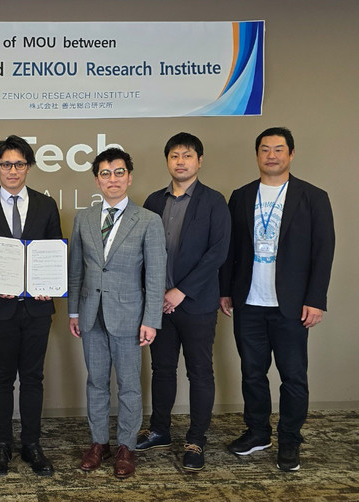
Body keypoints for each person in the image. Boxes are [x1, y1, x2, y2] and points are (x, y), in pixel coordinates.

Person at [219, 127, 335, 472]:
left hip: (292, 305)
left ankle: (289, 440)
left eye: (279, 149)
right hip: (249, 302)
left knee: (293, 377)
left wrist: (316, 299)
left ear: (291, 154)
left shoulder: (313, 197)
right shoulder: (241, 196)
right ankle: (258, 433)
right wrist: (225, 290)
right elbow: (230, 249)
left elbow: (323, 251)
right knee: (252, 373)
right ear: (257, 155)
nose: (272, 155)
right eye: (265, 149)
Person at [0, 135, 62, 477]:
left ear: (28, 167)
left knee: (33, 378)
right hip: (1, 309)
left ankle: (32, 445)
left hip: (37, 308)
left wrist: (48, 284)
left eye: (19, 164)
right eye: (6, 164)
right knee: (2, 378)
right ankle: (2, 446)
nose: (12, 170)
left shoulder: (46, 205)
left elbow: (54, 252)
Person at [68, 147, 166, 479]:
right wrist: (73, 312)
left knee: (129, 385)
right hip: (90, 314)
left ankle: (126, 445)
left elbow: (155, 275)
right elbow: (76, 270)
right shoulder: (83, 219)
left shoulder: (148, 220)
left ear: (129, 177)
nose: (113, 179)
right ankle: (99, 443)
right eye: (106, 173)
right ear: (97, 180)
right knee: (96, 382)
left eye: (119, 172)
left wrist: (151, 319)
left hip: (129, 317)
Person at [139, 133, 230, 471]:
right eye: (175, 155)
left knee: (199, 372)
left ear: (199, 161)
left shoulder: (214, 201)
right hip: (158, 304)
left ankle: (196, 439)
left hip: (196, 304)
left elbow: (217, 253)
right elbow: (142, 251)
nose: (181, 161)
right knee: (161, 369)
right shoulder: (153, 201)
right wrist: (155, 294)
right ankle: (160, 430)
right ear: (167, 161)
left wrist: (181, 291)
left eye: (187, 155)